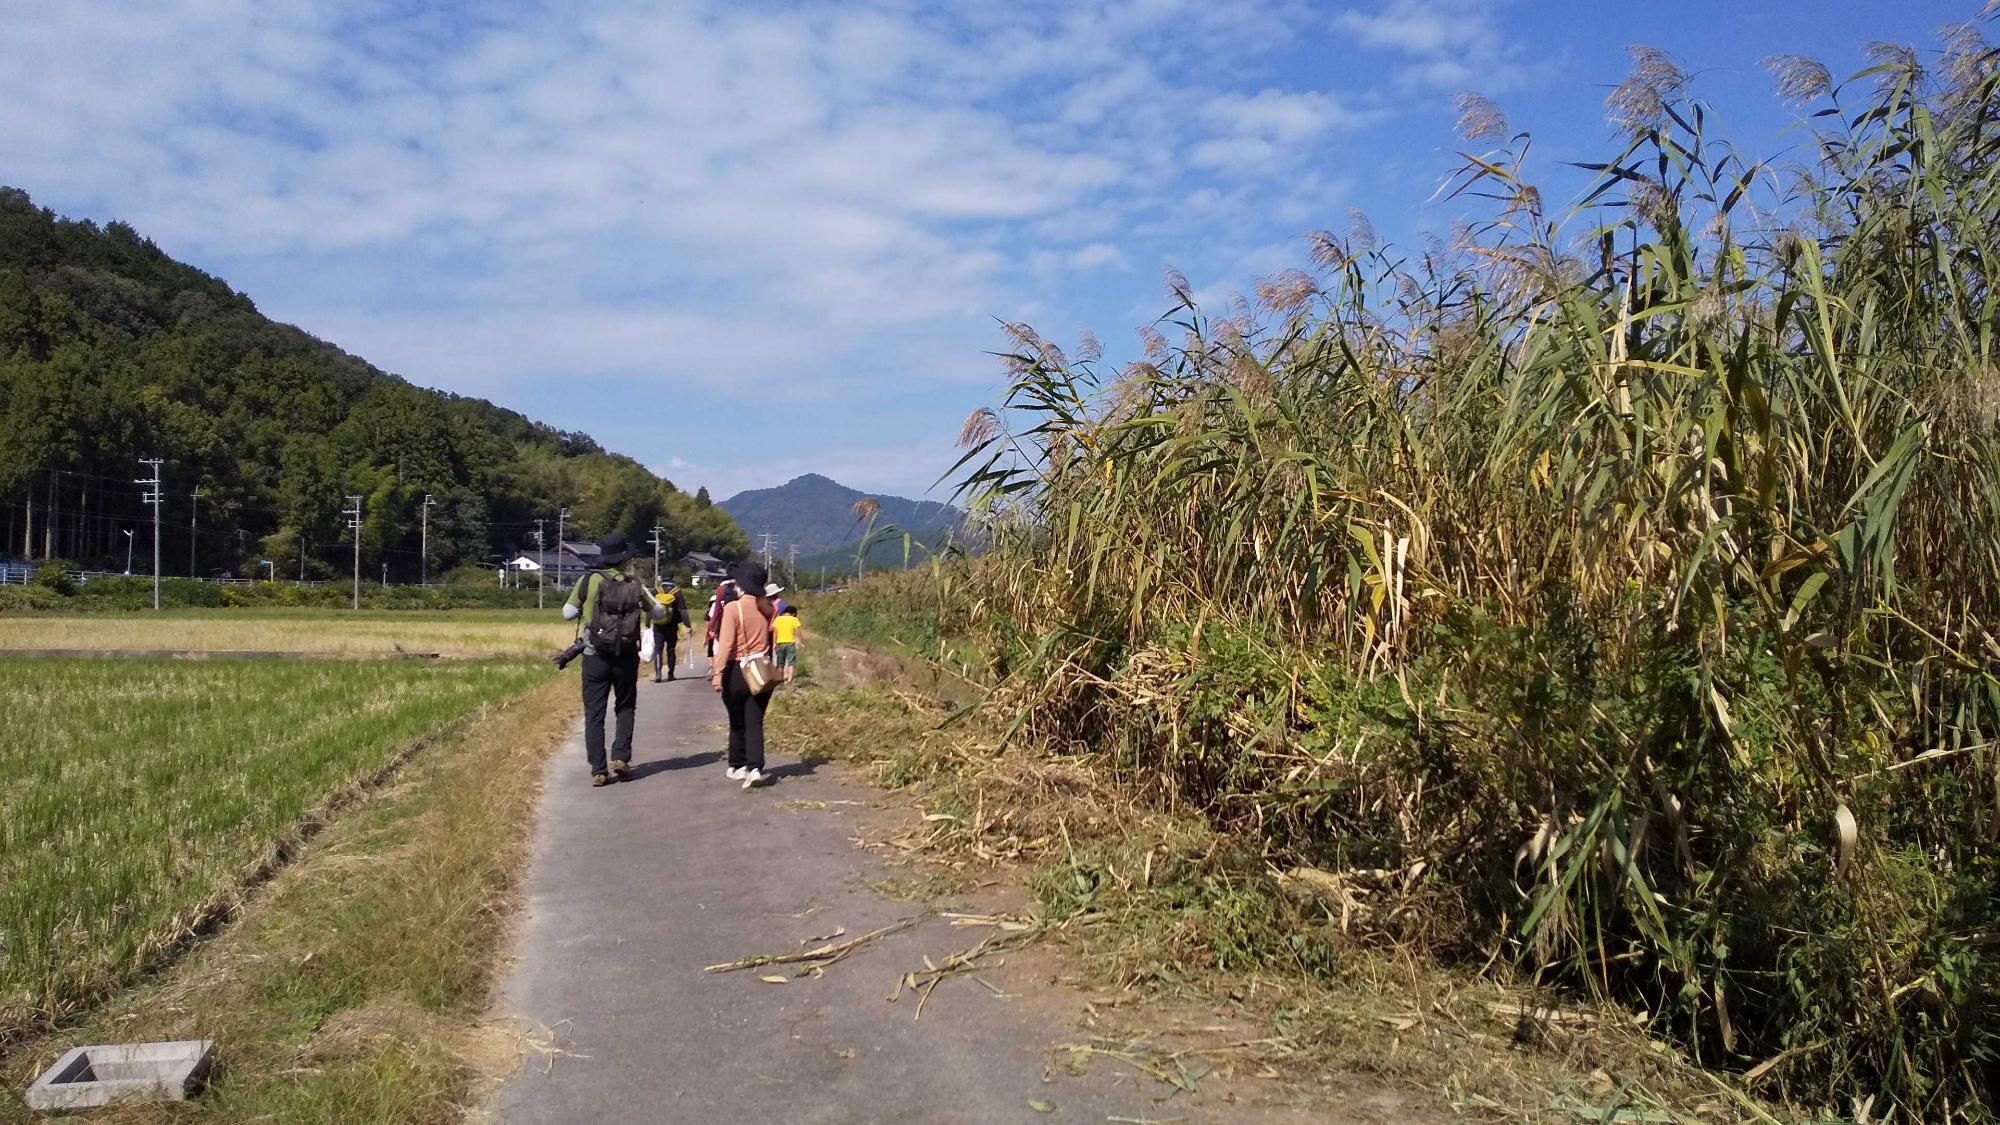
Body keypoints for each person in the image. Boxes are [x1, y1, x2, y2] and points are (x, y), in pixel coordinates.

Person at [562, 532, 665, 787]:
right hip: (626, 656)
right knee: (625, 706)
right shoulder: (634, 584)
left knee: (594, 713)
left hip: (594, 656)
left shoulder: (589, 581)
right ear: (623, 559)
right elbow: (659, 612)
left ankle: (598, 769)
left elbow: (567, 613)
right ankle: (621, 757)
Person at [711, 563, 777, 789]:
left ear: (741, 585)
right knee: (755, 720)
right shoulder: (767, 608)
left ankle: (737, 765)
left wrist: (717, 673)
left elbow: (726, 645)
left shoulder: (733, 608)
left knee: (736, 720)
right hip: (761, 670)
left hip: (737, 670)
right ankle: (755, 767)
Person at [652, 578, 688, 682]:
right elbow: (683, 611)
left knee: (658, 649)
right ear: (672, 579)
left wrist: (647, 624)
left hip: (658, 625)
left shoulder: (656, 591)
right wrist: (687, 625)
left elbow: (649, 608)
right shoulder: (677, 592)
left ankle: (658, 673)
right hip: (672, 625)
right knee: (671, 650)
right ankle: (670, 674)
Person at [772, 604, 804, 687]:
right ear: (793, 613)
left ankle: (780, 680)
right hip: (790, 643)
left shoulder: (778, 619)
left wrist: (774, 643)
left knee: (780, 663)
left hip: (780, 643)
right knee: (791, 662)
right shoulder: (794, 619)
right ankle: (789, 680)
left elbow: (775, 632)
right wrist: (801, 642)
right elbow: (797, 631)